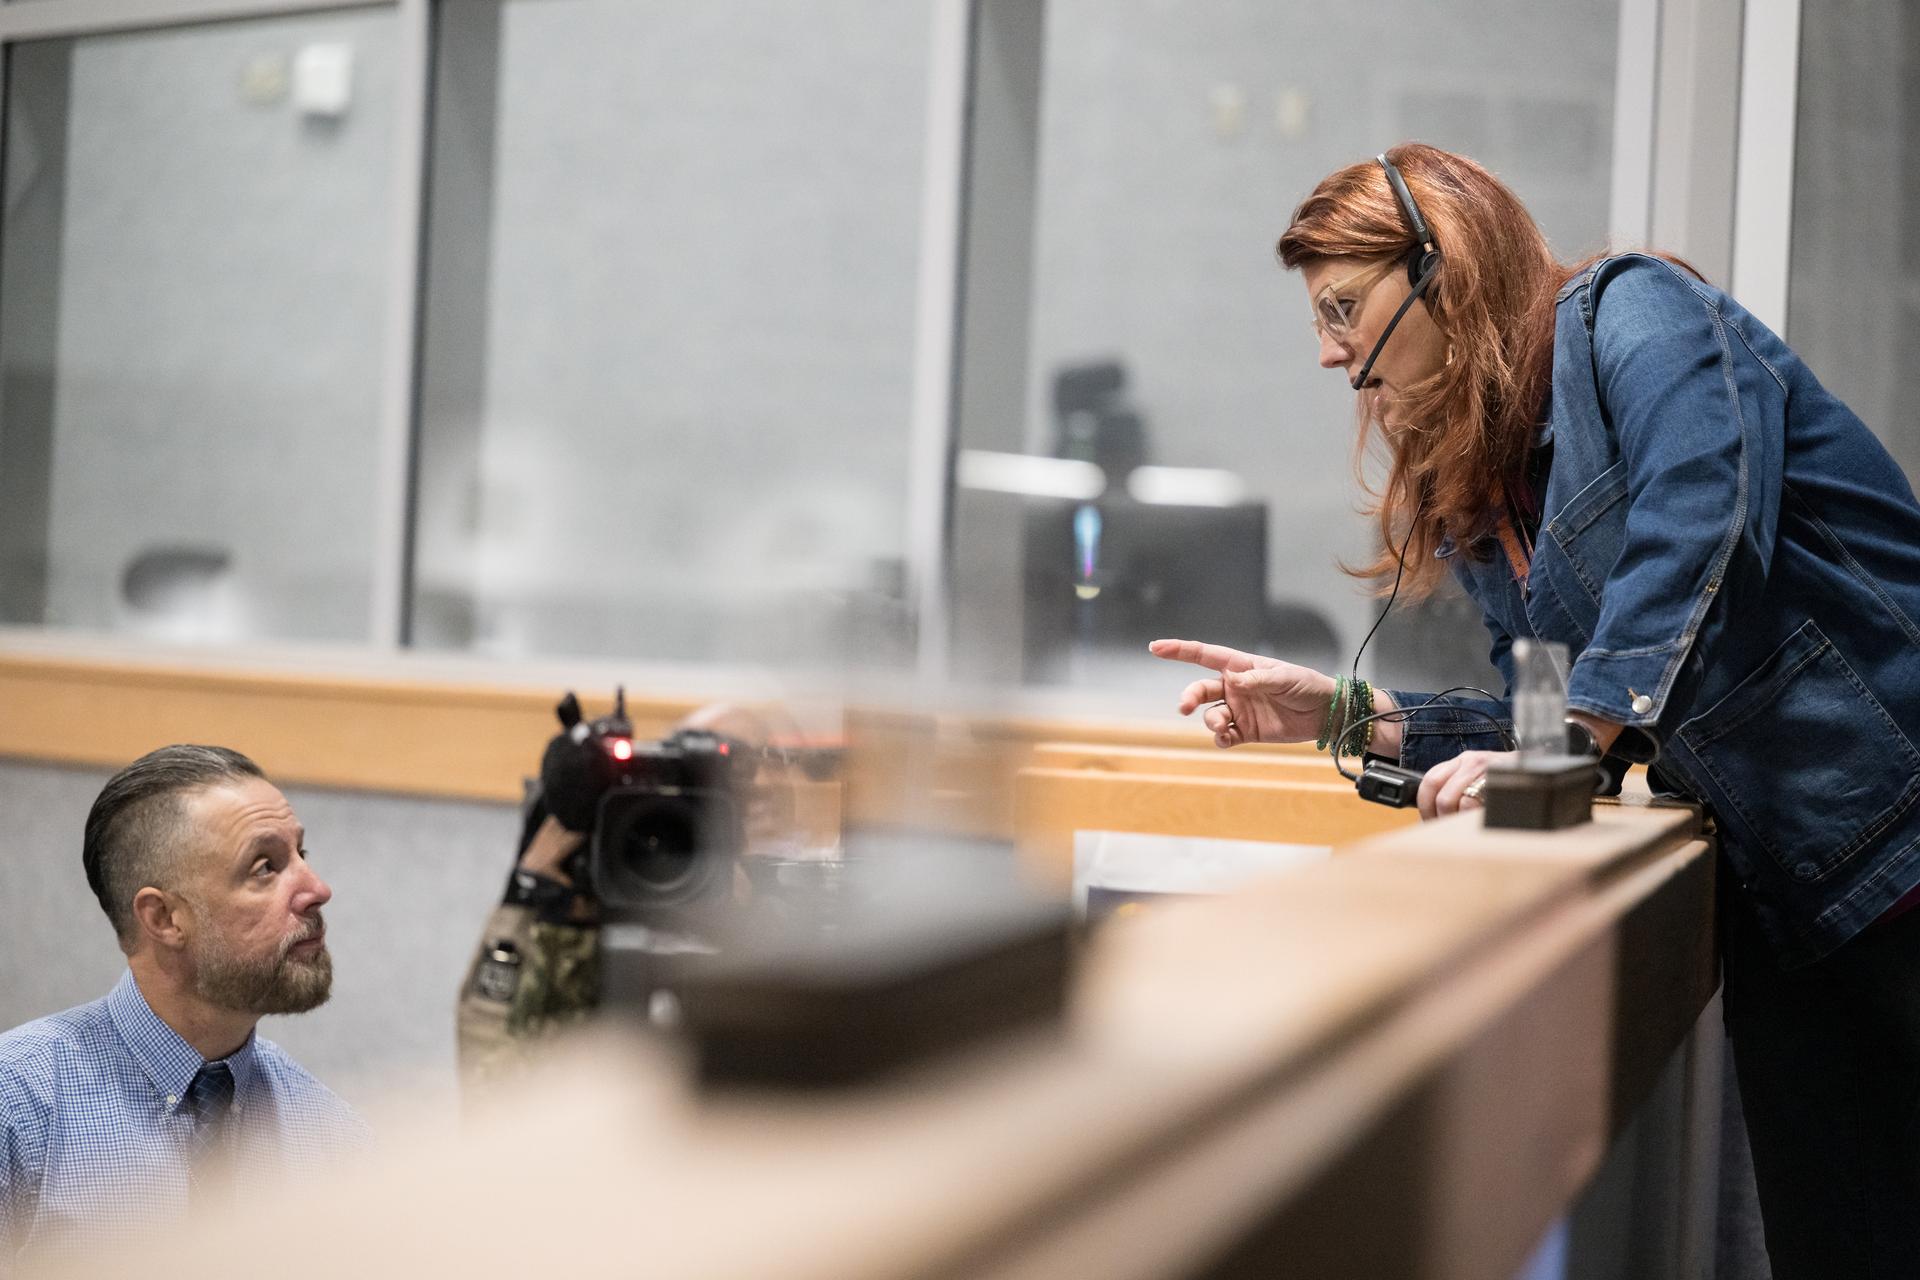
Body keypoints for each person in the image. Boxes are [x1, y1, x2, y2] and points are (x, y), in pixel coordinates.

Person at [1151, 142, 1920, 1277]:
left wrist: (1570, 734)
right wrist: (1347, 717)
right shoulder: (1486, 479)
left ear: (1440, 260)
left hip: (1897, 832)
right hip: (1789, 897)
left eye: (1343, 306)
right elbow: (1549, 711)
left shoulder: (1637, 312)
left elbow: (1700, 518)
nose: (1328, 351)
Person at [0, 745, 364, 1270]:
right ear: (165, 918)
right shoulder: (19, 1110)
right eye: (265, 867)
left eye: (302, 854)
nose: (316, 889)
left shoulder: (332, 1139)